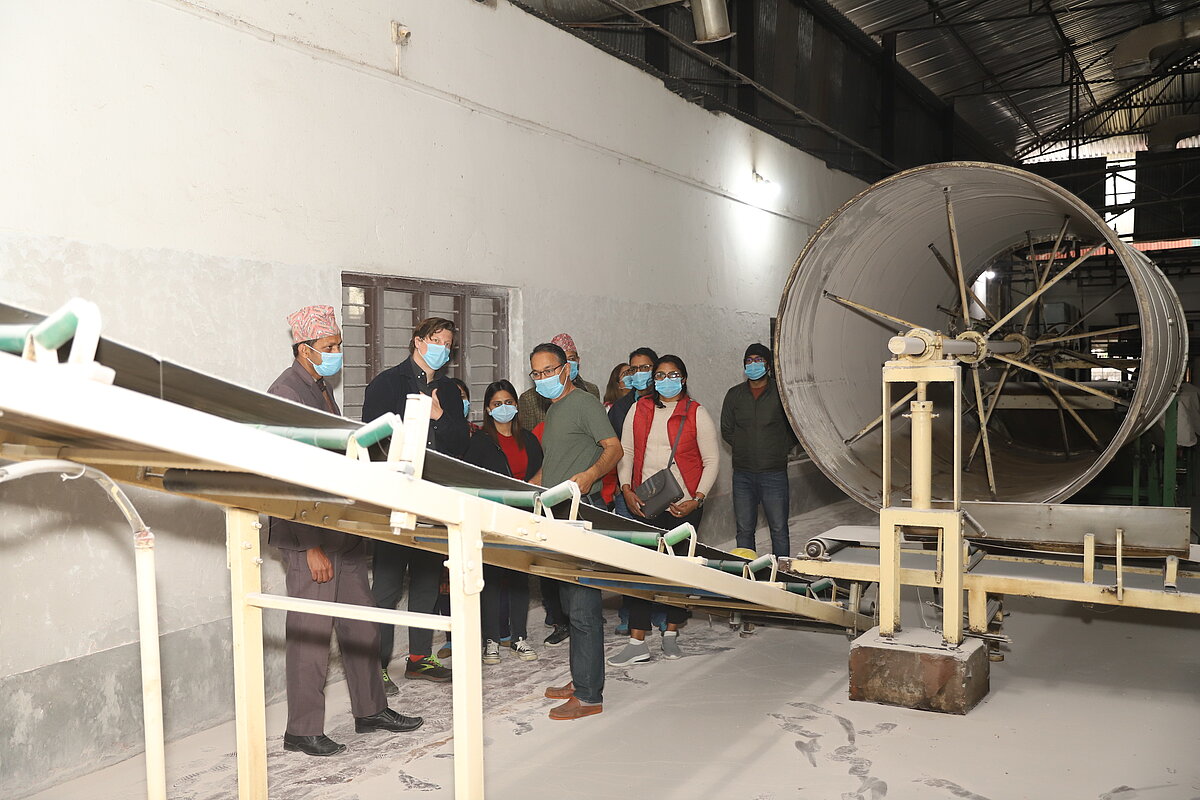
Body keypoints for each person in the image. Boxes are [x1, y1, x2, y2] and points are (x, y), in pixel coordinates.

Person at [267, 305, 422, 757]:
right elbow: (287, 477)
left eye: (339, 346)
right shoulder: (287, 392)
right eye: (330, 347)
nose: (338, 354)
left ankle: (370, 710)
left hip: (343, 531)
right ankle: (301, 729)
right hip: (310, 537)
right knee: (311, 638)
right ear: (304, 348)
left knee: (362, 629)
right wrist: (310, 545)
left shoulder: (320, 388)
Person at [362, 317, 469, 689]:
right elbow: (370, 442)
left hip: (435, 497)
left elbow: (461, 444)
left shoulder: (450, 391)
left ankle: (420, 659)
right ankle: (376, 667)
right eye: (436, 341)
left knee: (426, 580)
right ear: (418, 341)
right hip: (396, 497)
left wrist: (439, 416)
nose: (443, 348)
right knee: (387, 586)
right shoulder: (387, 384)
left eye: (448, 344)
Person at [528, 342, 622, 720]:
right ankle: (582, 677)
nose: (543, 378)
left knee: (583, 606)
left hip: (584, 510)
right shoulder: (554, 410)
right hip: (558, 511)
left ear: (566, 369)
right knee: (570, 602)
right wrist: (523, 490)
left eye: (550, 370)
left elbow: (614, 449)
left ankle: (589, 696)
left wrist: (590, 475)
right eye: (536, 373)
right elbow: (552, 466)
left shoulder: (583, 402)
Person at [610, 354, 720, 666]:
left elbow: (712, 460)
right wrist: (626, 488)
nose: (665, 380)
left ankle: (671, 633)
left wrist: (697, 499)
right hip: (646, 500)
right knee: (640, 568)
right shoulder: (639, 408)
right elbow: (626, 450)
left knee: (677, 570)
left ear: (683, 379)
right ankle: (637, 641)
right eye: (660, 375)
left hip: (685, 503)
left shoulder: (696, 413)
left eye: (672, 375)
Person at [463, 380, 544, 666]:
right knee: (493, 579)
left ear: (517, 406)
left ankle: (519, 637)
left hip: (523, 517)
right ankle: (492, 640)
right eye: (497, 404)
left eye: (508, 402)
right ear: (487, 408)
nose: (504, 408)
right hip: (492, 518)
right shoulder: (481, 441)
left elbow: (540, 473)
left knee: (519, 578)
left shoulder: (530, 439)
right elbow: (471, 479)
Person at [720, 343, 799, 558]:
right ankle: (749, 576)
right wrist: (745, 445)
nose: (753, 364)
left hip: (774, 473)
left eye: (758, 360)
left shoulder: (782, 394)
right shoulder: (735, 395)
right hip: (743, 475)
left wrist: (778, 447)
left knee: (779, 528)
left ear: (768, 365)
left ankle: (783, 575)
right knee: (744, 530)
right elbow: (726, 429)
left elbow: (794, 428)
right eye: (749, 360)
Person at [517, 332, 600, 431]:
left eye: (571, 359)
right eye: (564, 359)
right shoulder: (530, 398)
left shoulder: (590, 391)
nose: (568, 363)